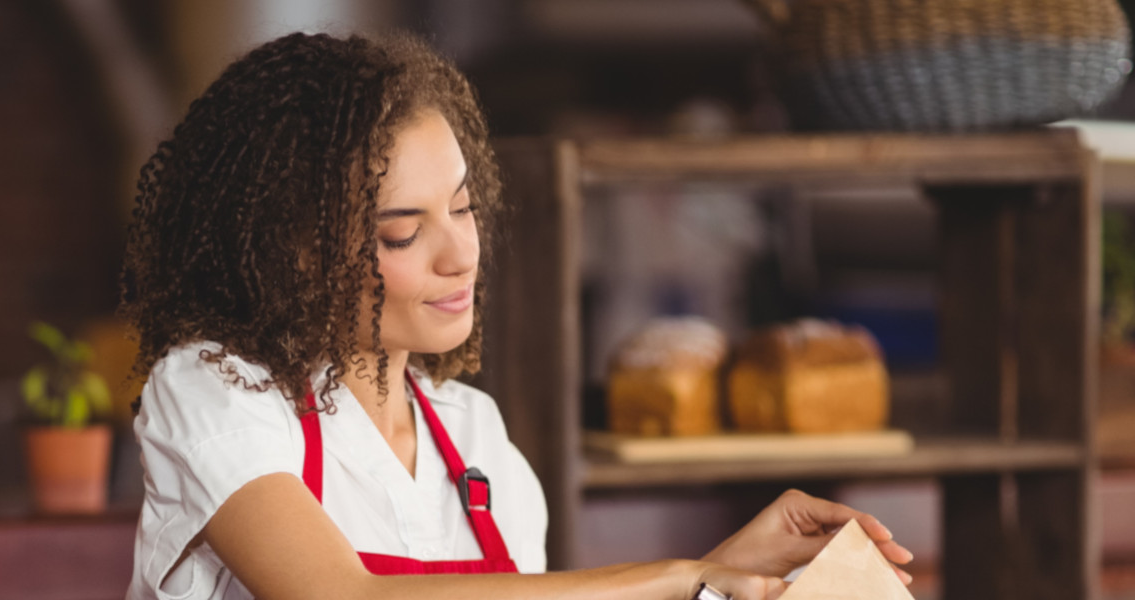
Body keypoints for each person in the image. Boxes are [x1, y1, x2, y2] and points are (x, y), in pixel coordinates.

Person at [118, 32, 915, 600]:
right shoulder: (215, 393)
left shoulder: (474, 439)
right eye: (403, 230)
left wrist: (728, 569)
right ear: (297, 250)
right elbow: (342, 595)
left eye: (463, 210)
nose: (458, 255)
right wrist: (683, 577)